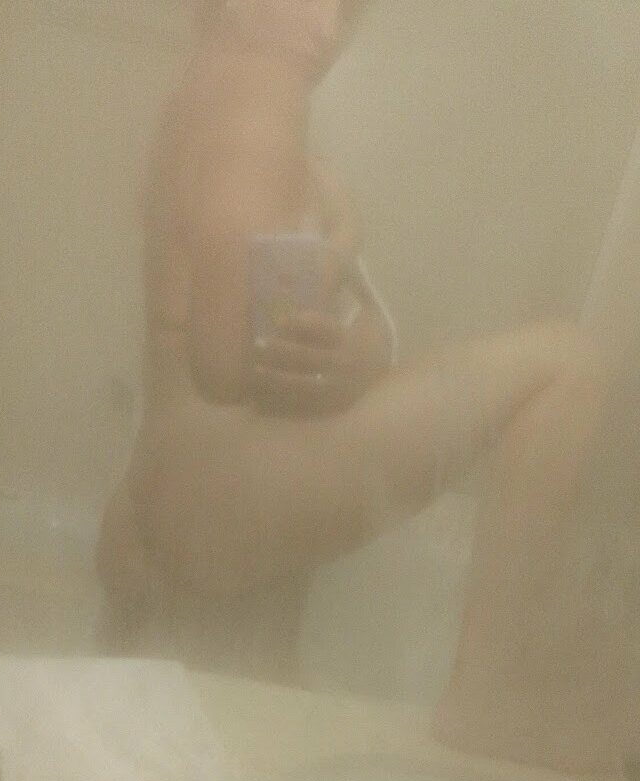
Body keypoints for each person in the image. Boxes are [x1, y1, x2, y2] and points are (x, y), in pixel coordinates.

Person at [96, 0, 606, 697]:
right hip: (215, 491)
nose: (326, 31)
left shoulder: (213, 92)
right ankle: (491, 697)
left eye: (347, 11)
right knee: (569, 366)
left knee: (253, 709)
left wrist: (364, 344)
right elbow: (229, 364)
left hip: (175, 490)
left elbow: (271, 328)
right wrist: (343, 244)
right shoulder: (259, 95)